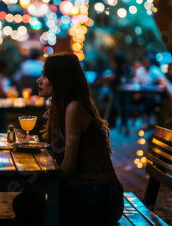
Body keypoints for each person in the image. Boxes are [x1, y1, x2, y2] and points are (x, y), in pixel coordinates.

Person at [12, 52, 124, 226]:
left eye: (46, 75)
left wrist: (41, 185)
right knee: (23, 202)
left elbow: (68, 166)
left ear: (60, 78)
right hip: (81, 188)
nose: (39, 80)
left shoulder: (74, 108)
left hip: (98, 192)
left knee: (29, 207)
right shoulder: (59, 107)